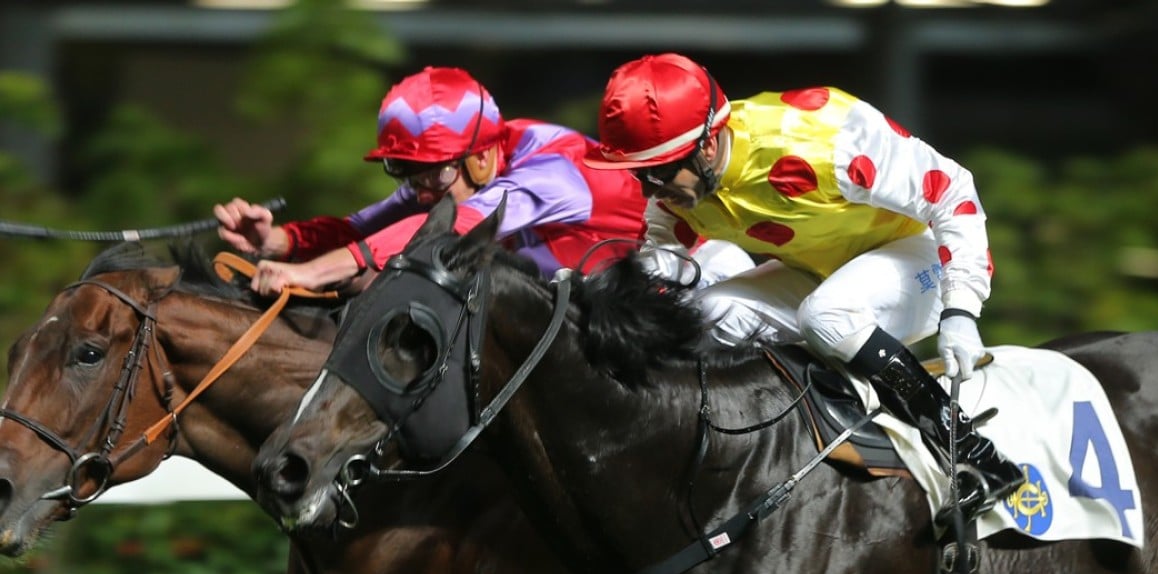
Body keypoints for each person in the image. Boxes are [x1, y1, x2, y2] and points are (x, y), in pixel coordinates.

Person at [584, 52, 1023, 525]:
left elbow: (953, 192)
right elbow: (661, 263)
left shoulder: (822, 140)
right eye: (637, 175)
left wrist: (961, 309)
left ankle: (971, 454)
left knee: (826, 314)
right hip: (819, 273)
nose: (650, 192)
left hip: (919, 259)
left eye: (660, 173)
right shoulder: (682, 186)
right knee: (706, 315)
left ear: (707, 147)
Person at [213, 66, 664, 296]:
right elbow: (360, 231)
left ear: (483, 157)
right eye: (408, 174)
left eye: (436, 175)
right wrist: (276, 241)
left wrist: (311, 273)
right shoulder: (452, 172)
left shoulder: (553, 175)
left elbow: (448, 226)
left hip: (663, 303)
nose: (422, 193)